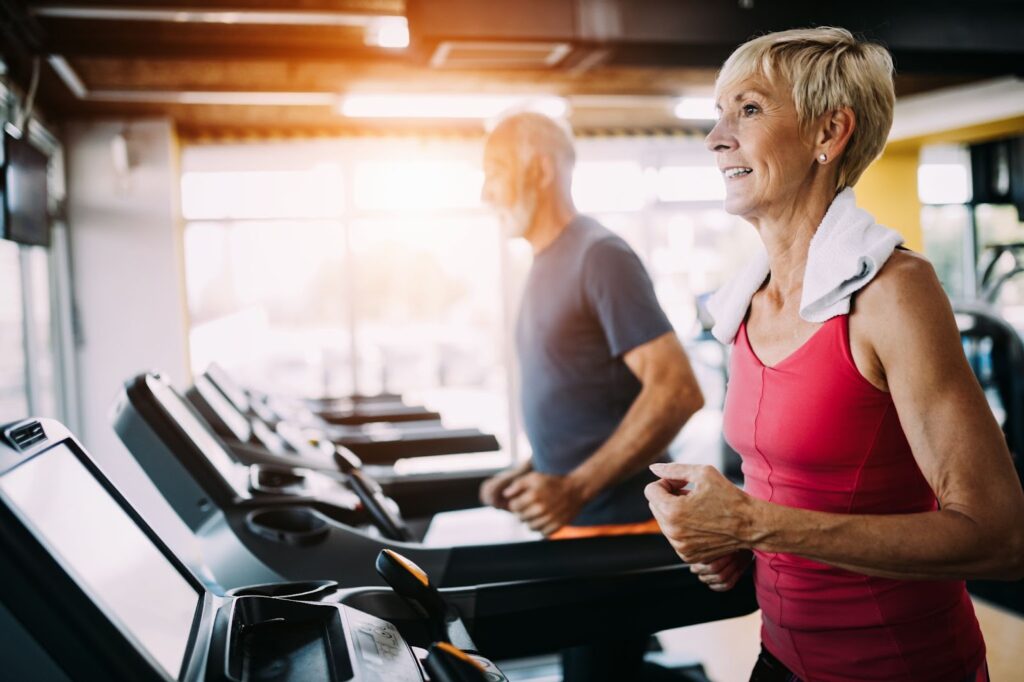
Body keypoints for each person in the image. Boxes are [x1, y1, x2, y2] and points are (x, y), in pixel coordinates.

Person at [645, 27, 1024, 682]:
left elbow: (1000, 537)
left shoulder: (892, 294)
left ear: (829, 133)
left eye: (750, 109)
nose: (716, 138)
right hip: (782, 660)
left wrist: (753, 523)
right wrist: (726, 538)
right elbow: (788, 502)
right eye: (718, 113)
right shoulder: (744, 305)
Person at [478, 111, 705, 680]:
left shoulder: (599, 256)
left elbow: (676, 390)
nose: (485, 192)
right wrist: (537, 467)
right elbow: (587, 393)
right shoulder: (544, 263)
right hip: (579, 529)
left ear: (539, 169)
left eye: (494, 172)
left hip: (615, 533)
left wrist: (575, 484)